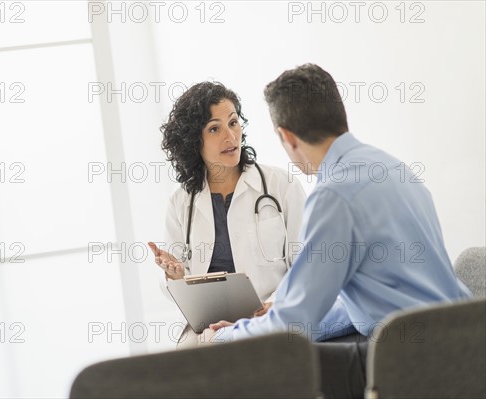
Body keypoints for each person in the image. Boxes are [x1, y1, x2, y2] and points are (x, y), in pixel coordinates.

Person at [199, 64, 472, 398]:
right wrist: (288, 304)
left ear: (286, 137)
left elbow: (292, 326)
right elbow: (374, 296)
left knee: (260, 368)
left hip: (409, 367)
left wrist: (225, 337)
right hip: (468, 346)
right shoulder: (395, 168)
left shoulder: (333, 197)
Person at [147, 81, 307, 348]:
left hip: (270, 315)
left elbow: (306, 262)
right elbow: (179, 287)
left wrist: (274, 305)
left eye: (233, 123)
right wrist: (175, 276)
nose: (230, 136)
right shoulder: (180, 203)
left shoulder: (281, 185)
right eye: (214, 129)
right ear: (193, 141)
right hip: (208, 325)